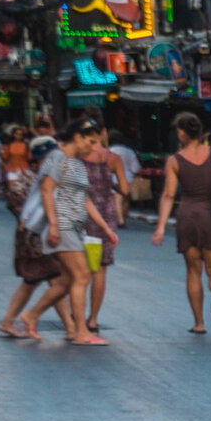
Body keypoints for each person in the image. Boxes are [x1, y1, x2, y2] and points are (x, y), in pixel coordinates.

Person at [18, 118, 118, 345]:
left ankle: (31, 315)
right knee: (82, 275)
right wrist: (53, 224)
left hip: (72, 226)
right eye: (90, 142)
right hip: (62, 226)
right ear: (78, 137)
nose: (93, 148)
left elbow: (84, 199)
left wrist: (105, 228)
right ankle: (81, 331)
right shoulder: (58, 158)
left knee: (65, 281)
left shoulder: (76, 164)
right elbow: (46, 189)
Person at [152, 112, 211, 335]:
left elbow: (169, 195)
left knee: (193, 271)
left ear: (181, 133)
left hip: (188, 216)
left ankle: (199, 323)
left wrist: (161, 226)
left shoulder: (175, 160)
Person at [0, 140, 74, 340]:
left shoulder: (41, 176)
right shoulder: (38, 179)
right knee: (56, 280)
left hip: (32, 233)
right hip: (34, 234)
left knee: (32, 281)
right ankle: (67, 326)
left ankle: (8, 321)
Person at [80, 109, 128, 334]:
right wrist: (111, 185)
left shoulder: (78, 156)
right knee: (99, 269)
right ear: (103, 132)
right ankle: (93, 319)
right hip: (105, 219)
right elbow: (125, 190)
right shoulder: (112, 158)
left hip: (81, 215)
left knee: (80, 269)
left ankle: (77, 318)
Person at [108, 130, 142, 226]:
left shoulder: (109, 151)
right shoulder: (129, 151)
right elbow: (136, 168)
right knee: (126, 199)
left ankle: (120, 219)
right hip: (128, 178)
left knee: (118, 198)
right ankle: (123, 217)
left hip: (115, 178)